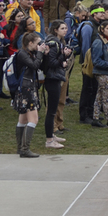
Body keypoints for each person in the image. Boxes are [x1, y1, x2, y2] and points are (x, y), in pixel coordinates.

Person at [14, 31, 48, 157]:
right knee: (33, 119)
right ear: (30, 43)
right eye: (38, 43)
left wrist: (42, 53)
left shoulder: (29, 53)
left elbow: (40, 66)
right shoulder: (22, 54)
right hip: (27, 89)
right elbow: (34, 65)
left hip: (26, 87)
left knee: (23, 119)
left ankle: (20, 148)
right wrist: (40, 53)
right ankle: (25, 148)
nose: (40, 45)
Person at [43, 20, 71, 149]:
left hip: (55, 77)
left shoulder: (58, 42)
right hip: (52, 79)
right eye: (62, 28)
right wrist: (63, 58)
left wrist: (64, 58)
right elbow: (52, 63)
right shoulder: (54, 44)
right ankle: (49, 140)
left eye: (66, 28)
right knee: (51, 111)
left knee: (53, 110)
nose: (65, 30)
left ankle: (52, 136)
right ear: (56, 30)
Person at [91, 20, 108, 128]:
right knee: (106, 97)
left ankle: (96, 118)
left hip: (107, 72)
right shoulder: (99, 42)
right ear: (102, 29)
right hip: (102, 73)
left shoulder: (107, 41)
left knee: (100, 96)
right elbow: (96, 61)